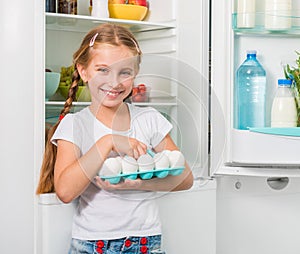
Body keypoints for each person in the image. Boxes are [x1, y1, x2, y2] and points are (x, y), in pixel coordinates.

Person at [36, 23, 193, 254]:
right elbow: (65, 191)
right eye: (103, 70)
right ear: (83, 71)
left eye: (125, 72)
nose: (115, 82)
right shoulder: (74, 125)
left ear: (135, 73)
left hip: (145, 242)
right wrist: (107, 141)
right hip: (92, 244)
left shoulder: (149, 119)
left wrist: (141, 184)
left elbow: (186, 178)